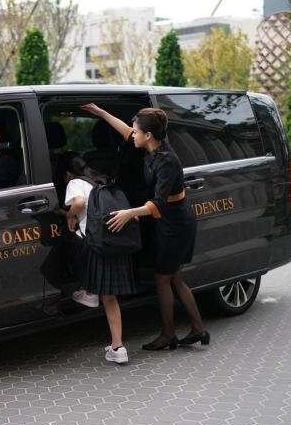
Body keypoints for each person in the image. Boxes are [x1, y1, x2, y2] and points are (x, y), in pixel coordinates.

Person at [80, 103, 209, 351]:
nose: (132, 134)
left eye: (137, 131)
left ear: (148, 135)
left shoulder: (167, 161)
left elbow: (158, 203)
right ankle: (198, 329)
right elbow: (125, 131)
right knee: (174, 277)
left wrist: (130, 213)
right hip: (168, 219)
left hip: (176, 223)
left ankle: (169, 334)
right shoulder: (151, 146)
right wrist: (101, 112)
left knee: (163, 278)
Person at [63, 154, 137, 364]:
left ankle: (89, 291)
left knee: (71, 244)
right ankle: (117, 346)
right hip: (114, 241)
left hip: (96, 245)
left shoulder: (75, 183)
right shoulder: (105, 183)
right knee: (110, 297)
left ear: (68, 173)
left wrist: (70, 215)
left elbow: (78, 203)